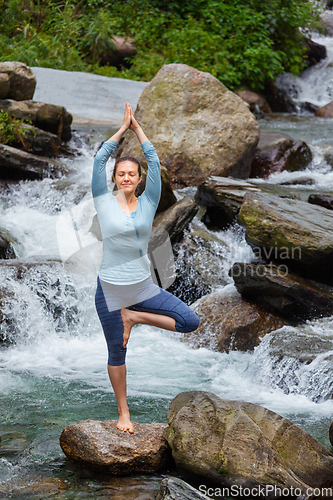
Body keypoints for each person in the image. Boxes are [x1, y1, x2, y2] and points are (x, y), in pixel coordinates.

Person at [91, 102, 200, 434]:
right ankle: (123, 412)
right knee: (116, 353)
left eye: (131, 174)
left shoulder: (149, 201)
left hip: (141, 288)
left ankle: (134, 317)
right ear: (115, 177)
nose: (126, 177)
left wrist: (139, 130)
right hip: (110, 290)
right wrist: (121, 130)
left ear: (139, 180)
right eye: (121, 173)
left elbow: (154, 161)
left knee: (189, 321)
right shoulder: (103, 199)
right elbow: (98, 161)